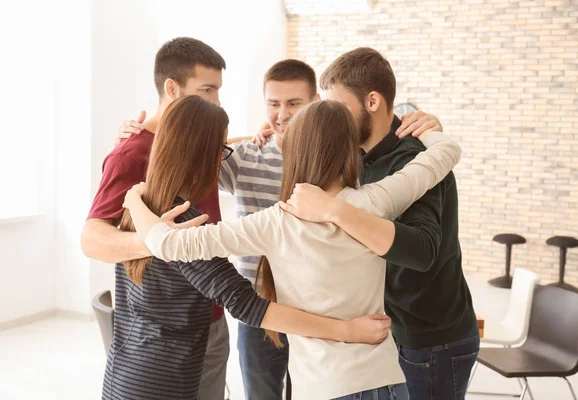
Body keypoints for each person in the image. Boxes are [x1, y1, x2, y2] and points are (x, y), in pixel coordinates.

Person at [117, 58, 442, 400]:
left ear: (314, 103)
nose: (282, 114)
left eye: (293, 105)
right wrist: (135, 142)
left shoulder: (334, 181)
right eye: (273, 104)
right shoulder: (250, 160)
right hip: (270, 317)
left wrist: (132, 196)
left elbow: (172, 221)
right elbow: (200, 148)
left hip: (325, 338)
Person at [283, 47, 479, 400]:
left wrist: (335, 211)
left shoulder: (415, 158)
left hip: (429, 340)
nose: (332, 121)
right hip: (390, 334)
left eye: (339, 109)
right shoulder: (357, 157)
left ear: (372, 101)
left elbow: (422, 250)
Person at [81, 37, 231, 400]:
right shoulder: (131, 154)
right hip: (164, 333)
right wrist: (160, 239)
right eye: (206, 90)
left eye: (218, 91)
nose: (215, 101)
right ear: (172, 88)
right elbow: (92, 238)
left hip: (211, 320)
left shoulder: (201, 142)